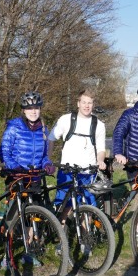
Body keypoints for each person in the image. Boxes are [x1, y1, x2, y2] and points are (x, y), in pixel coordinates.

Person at [0, 91, 55, 267]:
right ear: (23, 110)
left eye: (36, 108)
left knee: (32, 218)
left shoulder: (43, 130)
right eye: (29, 108)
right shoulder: (14, 127)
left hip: (35, 177)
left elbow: (44, 155)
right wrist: (14, 166)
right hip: (17, 177)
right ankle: (6, 256)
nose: (33, 111)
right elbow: (3, 152)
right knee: (13, 217)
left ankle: (28, 252)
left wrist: (47, 164)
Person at [48, 89, 106, 223]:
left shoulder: (99, 125)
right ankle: (62, 236)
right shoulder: (66, 120)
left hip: (88, 171)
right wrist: (48, 160)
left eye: (90, 103)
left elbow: (101, 149)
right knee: (65, 204)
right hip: (67, 170)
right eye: (84, 102)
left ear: (93, 105)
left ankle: (86, 238)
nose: (87, 106)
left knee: (88, 205)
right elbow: (51, 139)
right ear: (78, 103)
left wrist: (100, 161)